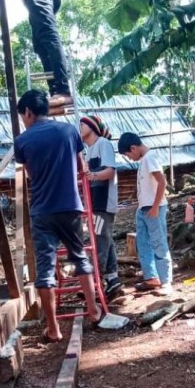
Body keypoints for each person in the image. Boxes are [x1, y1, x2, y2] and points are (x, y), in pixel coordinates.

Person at [14, 89, 102, 342]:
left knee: (44, 271)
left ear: (28, 112)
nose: (24, 121)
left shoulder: (22, 141)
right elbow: (80, 166)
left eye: (23, 116)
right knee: (80, 258)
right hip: (70, 206)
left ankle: (53, 329)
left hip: (42, 211)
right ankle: (94, 311)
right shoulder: (68, 131)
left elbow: (31, 174)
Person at [117, 132, 173, 296]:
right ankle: (151, 277)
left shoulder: (149, 158)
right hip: (143, 209)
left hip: (154, 208)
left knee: (158, 243)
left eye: (128, 154)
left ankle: (166, 281)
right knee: (143, 243)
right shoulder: (143, 160)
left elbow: (162, 181)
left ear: (133, 148)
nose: (129, 158)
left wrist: (155, 206)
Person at [80, 115, 123, 302]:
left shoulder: (103, 144)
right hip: (95, 202)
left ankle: (94, 280)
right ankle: (112, 279)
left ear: (92, 127)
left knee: (100, 240)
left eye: (82, 124)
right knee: (105, 238)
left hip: (103, 202)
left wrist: (92, 176)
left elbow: (110, 171)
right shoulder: (88, 150)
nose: (79, 128)